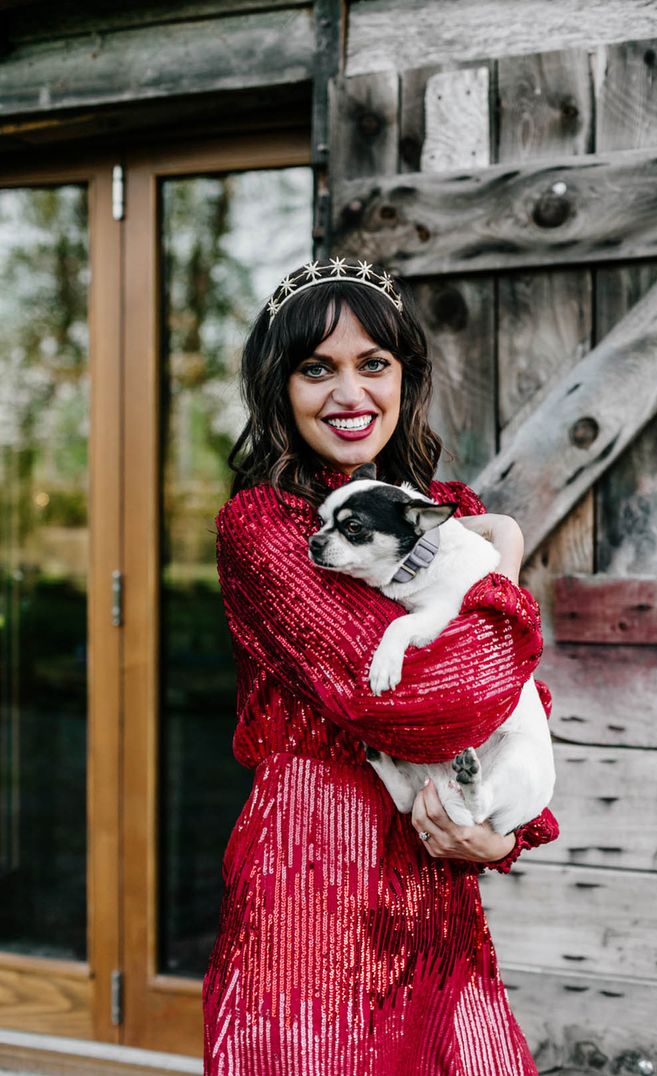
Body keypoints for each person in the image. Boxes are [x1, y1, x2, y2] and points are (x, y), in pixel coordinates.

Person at [202, 257, 559, 1074]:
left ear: (406, 377)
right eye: (315, 368)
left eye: (374, 364)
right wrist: (501, 563)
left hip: (435, 880)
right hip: (313, 875)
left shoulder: (450, 510)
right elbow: (425, 701)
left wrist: (492, 836)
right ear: (278, 387)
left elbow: (512, 708)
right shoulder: (267, 530)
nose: (349, 393)